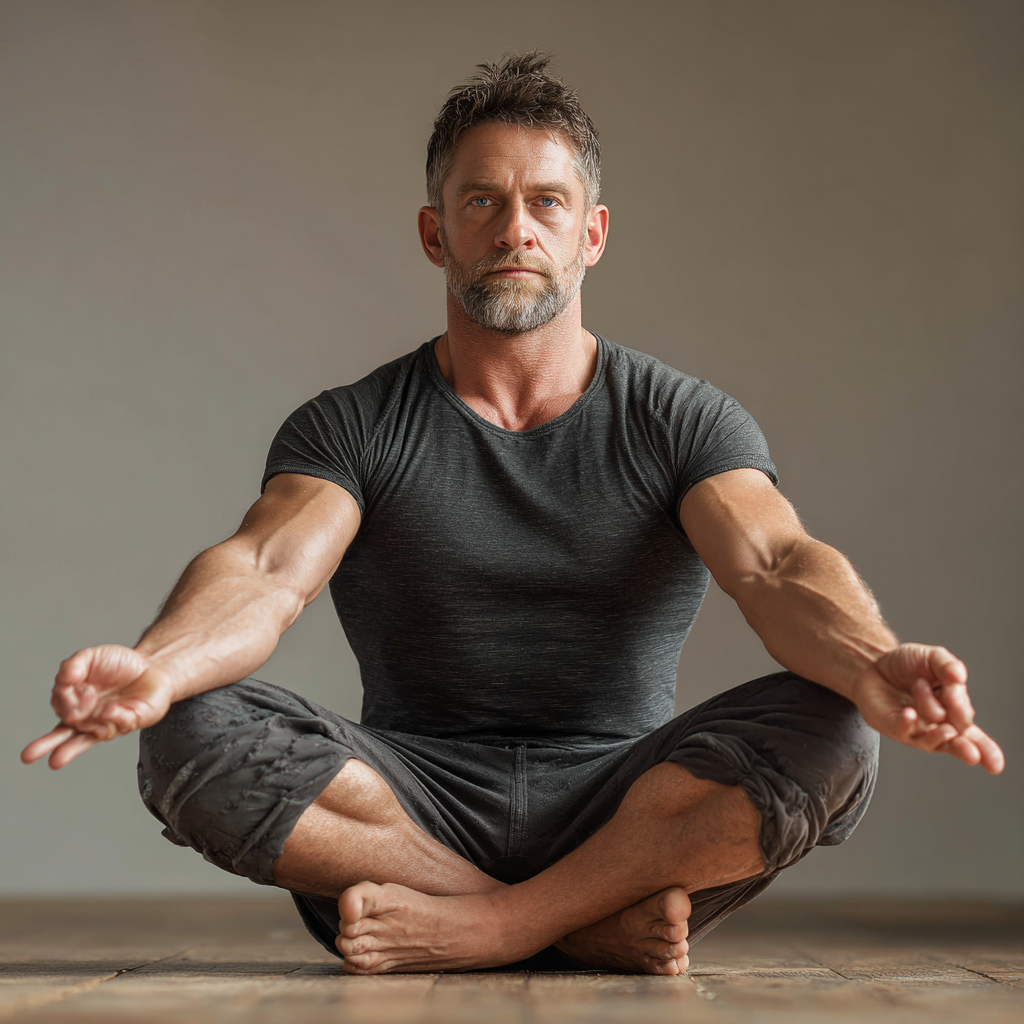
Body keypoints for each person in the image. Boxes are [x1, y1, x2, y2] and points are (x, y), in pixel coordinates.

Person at [22, 52, 1004, 976]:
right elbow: (266, 570)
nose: (514, 230)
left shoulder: (682, 418)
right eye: (482, 201)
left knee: (839, 724)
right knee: (187, 725)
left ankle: (486, 925)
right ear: (435, 233)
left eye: (546, 202)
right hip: (402, 813)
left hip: (628, 810)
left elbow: (775, 565)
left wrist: (872, 662)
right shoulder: (354, 423)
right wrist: (160, 666)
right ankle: (572, 924)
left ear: (591, 234)